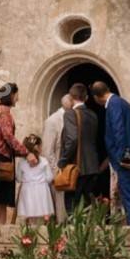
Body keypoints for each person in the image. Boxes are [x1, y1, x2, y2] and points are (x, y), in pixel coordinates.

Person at [91, 81, 130, 226]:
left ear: (96, 97)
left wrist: (122, 157)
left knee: (129, 196)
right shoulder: (122, 103)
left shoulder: (114, 104)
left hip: (128, 158)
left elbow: (119, 131)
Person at [0, 83, 35, 225]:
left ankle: (1, 231)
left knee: (1, 202)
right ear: (11, 95)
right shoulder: (5, 115)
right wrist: (26, 152)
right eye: (16, 95)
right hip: (3, 160)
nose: (18, 98)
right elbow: (8, 137)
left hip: (1, 158)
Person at [61, 84, 108, 211]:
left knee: (72, 206)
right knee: (87, 206)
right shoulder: (93, 114)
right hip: (93, 166)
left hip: (76, 167)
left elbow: (72, 139)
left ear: (70, 98)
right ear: (86, 98)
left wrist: (63, 161)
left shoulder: (70, 114)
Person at [41, 93, 73, 221]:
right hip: (59, 173)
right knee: (60, 212)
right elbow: (47, 150)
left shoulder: (73, 118)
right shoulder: (53, 121)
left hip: (72, 172)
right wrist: (56, 172)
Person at [15, 134, 56, 223]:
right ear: (39, 148)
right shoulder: (44, 161)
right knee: (44, 213)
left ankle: (29, 229)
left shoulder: (22, 162)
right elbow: (49, 177)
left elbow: (18, 178)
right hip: (42, 190)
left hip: (27, 190)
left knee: (29, 214)